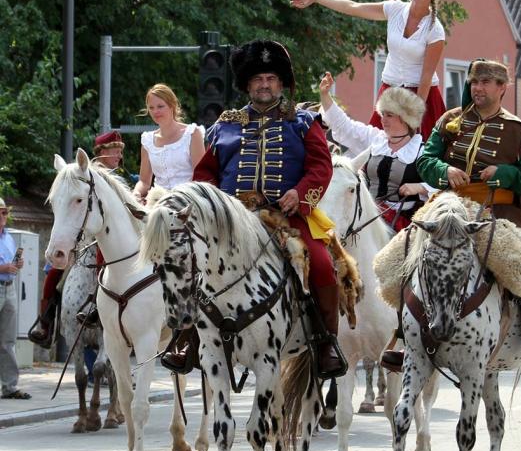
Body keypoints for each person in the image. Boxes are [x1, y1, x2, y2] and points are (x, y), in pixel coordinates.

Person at [161, 40, 345, 378]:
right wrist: (212, 208)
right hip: (231, 221)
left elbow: (322, 167)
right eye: (258, 78)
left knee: (321, 265)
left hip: (286, 216)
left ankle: (325, 342)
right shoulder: (223, 126)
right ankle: (187, 336)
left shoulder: (304, 122)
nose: (264, 84)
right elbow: (205, 174)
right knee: (190, 260)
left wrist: (299, 194)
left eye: (272, 78)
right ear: (248, 84)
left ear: (281, 83)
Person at [416, 59, 521, 367]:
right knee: (406, 248)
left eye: (485, 82)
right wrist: (444, 170)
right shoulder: (449, 120)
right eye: (474, 82)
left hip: (498, 209)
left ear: (502, 88)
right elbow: (425, 160)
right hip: (449, 205)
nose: (477, 88)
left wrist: (505, 174)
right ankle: (403, 333)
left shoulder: (518, 131)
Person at [291, 0, 447, 138]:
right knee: (375, 150)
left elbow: (426, 77)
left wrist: (415, 115)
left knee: (418, 156)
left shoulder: (435, 30)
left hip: (420, 98)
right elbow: (353, 7)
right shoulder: (395, 9)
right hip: (390, 92)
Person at [29, 131, 133, 346]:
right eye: (114, 150)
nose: (118, 155)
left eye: (120, 151)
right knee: (53, 270)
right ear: (100, 153)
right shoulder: (84, 175)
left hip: (110, 236)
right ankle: (45, 322)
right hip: (84, 236)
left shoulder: (123, 177)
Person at [319, 71, 433, 231]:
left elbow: (443, 185)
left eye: (390, 115)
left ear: (406, 118)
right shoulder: (376, 139)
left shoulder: (421, 151)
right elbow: (345, 126)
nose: (383, 119)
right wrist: (325, 96)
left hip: (400, 224)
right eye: (383, 114)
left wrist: (419, 187)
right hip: (365, 213)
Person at [133, 83, 205, 203]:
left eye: (160, 106)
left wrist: (180, 198)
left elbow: (200, 176)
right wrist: (136, 193)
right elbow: (144, 182)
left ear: (172, 105)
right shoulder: (147, 140)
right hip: (157, 203)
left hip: (189, 201)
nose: (155, 111)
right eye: (151, 108)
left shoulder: (192, 133)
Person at [0, 197, 30, 399]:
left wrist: (18, 264)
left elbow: (11, 262)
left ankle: (10, 387)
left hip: (9, 288)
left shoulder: (8, 237)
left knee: (7, 341)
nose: (4, 216)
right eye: (1, 212)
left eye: (5, 212)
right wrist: (2, 268)